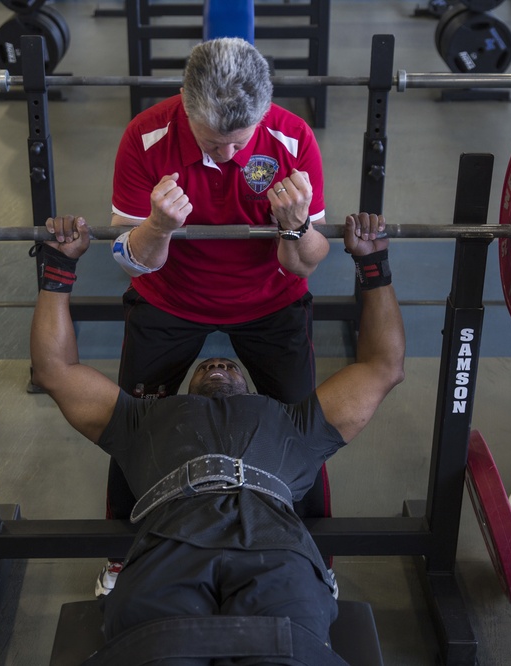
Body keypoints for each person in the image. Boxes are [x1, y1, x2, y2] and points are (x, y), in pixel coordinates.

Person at [30, 212, 404, 664]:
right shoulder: (143, 418)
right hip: (169, 547)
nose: (217, 364)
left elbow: (383, 368)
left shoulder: (294, 421)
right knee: (158, 653)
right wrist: (58, 267)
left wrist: (374, 264)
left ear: (250, 388)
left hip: (276, 551)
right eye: (206, 366)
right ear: (185, 391)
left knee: (284, 655)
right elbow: (55, 372)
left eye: (228, 365)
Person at [102, 37, 333, 594]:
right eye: (212, 142)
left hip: (269, 297)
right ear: (185, 106)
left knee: (304, 426)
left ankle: (314, 549)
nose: (228, 156)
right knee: (131, 424)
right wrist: (157, 226)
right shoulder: (145, 136)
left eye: (239, 141)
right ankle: (118, 556)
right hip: (170, 295)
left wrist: (295, 227)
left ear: (262, 114)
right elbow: (133, 263)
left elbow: (303, 266)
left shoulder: (292, 137)